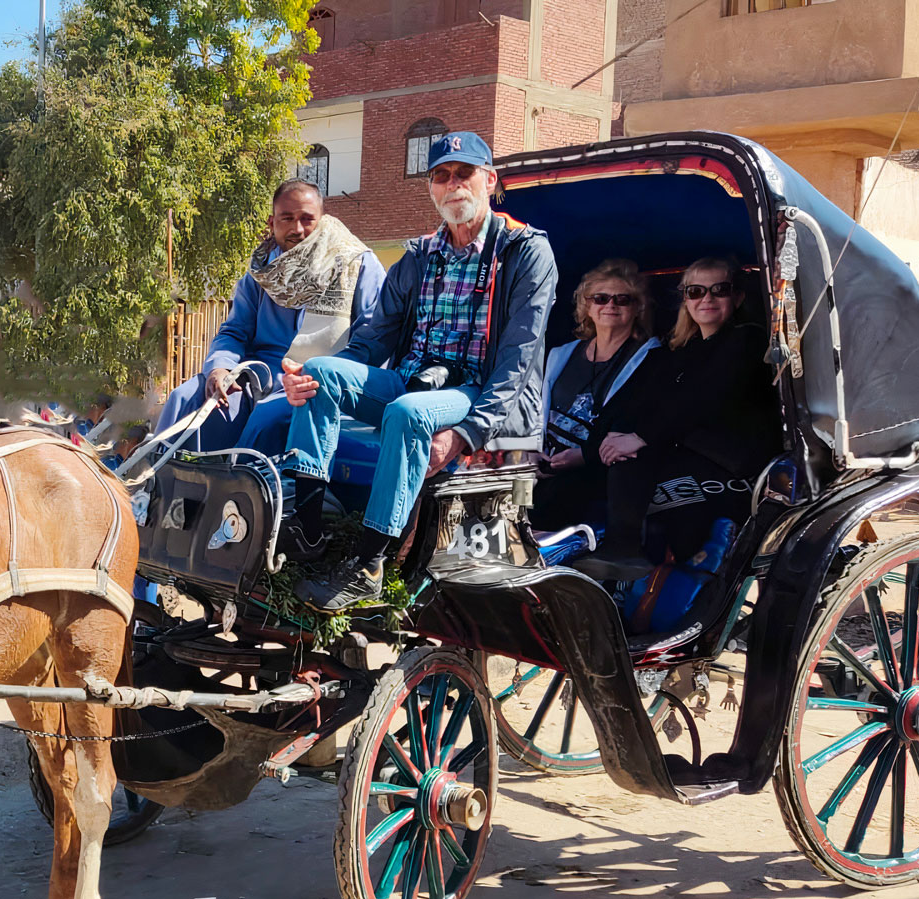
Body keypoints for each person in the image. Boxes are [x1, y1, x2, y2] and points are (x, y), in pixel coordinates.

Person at [279, 131, 558, 610]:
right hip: (414, 379)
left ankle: (368, 565)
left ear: (489, 181)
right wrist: (309, 378)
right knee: (321, 371)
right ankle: (307, 530)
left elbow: (519, 359)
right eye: (441, 176)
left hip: (479, 392)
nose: (453, 185)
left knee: (409, 413)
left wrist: (467, 433)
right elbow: (372, 340)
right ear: (431, 188)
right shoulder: (418, 256)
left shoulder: (525, 251)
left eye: (464, 174)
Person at [571, 257, 780, 583]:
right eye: (695, 291)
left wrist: (640, 437)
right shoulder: (681, 349)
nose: (706, 299)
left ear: (737, 298)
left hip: (735, 464)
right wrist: (600, 444)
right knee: (606, 461)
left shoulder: (747, 340)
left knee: (633, 459)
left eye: (719, 291)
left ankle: (624, 551)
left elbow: (704, 400)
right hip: (689, 451)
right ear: (685, 299)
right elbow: (643, 401)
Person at [154, 179, 384, 456]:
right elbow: (234, 331)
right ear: (272, 221)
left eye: (307, 219)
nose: (297, 229)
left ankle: (237, 491)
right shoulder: (261, 272)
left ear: (322, 220)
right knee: (186, 399)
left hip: (319, 382)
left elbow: (375, 337)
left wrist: (323, 374)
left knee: (266, 420)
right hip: (259, 377)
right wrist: (219, 368)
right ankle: (165, 492)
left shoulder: (357, 263)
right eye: (287, 218)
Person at [530, 259, 663, 530]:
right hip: (541, 461)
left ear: (637, 307)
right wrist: (530, 453)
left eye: (622, 299)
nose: (610, 305)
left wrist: (583, 456)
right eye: (600, 298)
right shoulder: (560, 354)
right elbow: (532, 410)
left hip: (595, 466)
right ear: (586, 307)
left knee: (553, 500)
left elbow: (641, 422)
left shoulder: (651, 358)